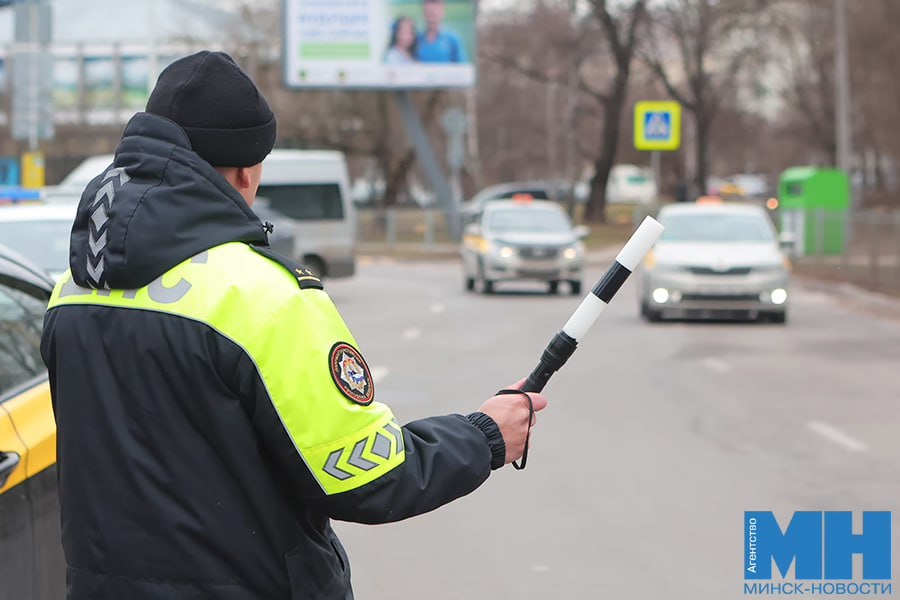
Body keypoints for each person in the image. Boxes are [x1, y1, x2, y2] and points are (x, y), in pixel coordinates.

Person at [40, 50, 547, 600]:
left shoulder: (72, 288)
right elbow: (368, 477)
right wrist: (487, 434)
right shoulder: (263, 296)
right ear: (246, 171)